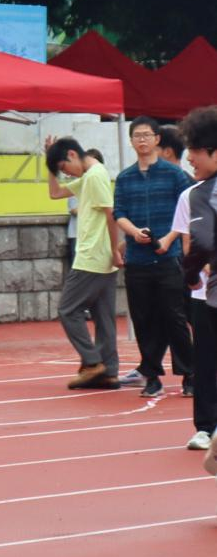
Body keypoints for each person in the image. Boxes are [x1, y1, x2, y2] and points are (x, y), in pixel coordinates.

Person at [113, 116, 195, 397]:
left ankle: (189, 374)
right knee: (144, 320)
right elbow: (119, 213)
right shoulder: (125, 177)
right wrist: (134, 233)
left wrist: (169, 240)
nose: (142, 140)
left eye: (147, 135)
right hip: (137, 260)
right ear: (131, 141)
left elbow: (186, 212)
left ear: (157, 139)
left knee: (175, 318)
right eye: (137, 135)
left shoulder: (174, 175)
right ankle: (151, 376)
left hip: (168, 258)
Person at [46, 137, 123, 390]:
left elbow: (110, 214)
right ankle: (108, 372)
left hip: (92, 256)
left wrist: (115, 249)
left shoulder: (95, 176)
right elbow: (55, 193)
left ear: (72, 154)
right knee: (103, 316)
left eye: (64, 167)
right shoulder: (89, 176)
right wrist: (49, 165)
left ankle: (92, 362)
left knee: (68, 310)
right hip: (101, 256)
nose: (66, 173)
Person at [167, 110, 217, 449]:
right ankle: (205, 427)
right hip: (204, 296)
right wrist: (194, 273)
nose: (190, 159)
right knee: (206, 360)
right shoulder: (191, 195)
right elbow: (190, 243)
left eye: (196, 151)